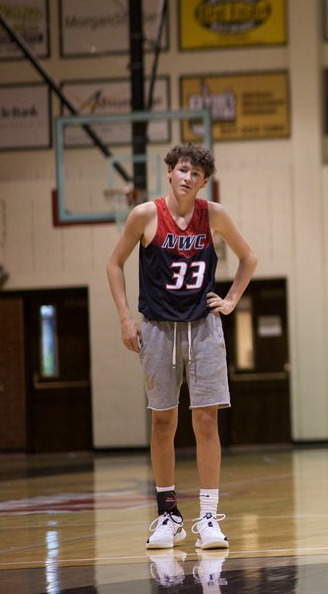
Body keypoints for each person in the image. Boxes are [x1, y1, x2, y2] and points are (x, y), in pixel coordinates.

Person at [106, 143, 257, 551]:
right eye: (183, 170)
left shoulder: (215, 215)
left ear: (204, 181)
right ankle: (168, 514)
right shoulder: (145, 215)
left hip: (204, 327)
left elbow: (248, 259)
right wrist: (124, 318)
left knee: (206, 421)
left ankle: (208, 516)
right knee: (162, 423)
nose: (188, 178)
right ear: (170, 172)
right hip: (157, 329)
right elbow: (114, 263)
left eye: (197, 174)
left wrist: (230, 301)